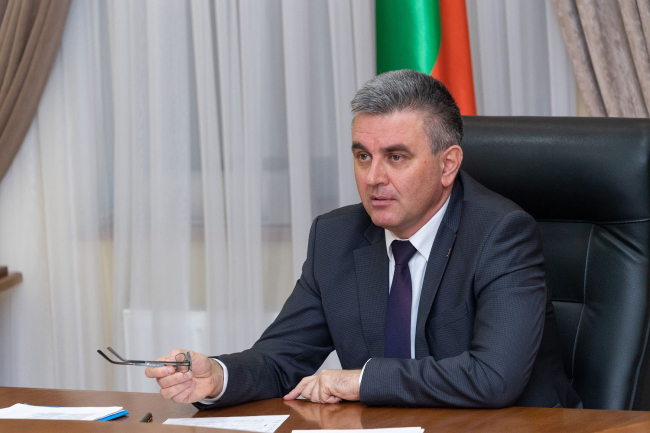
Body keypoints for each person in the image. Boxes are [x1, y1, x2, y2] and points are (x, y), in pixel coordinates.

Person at [145, 69, 582, 409]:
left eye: (396, 157)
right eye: (362, 155)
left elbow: (493, 377)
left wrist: (361, 380)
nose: (373, 177)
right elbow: (281, 360)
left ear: (448, 165)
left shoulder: (501, 233)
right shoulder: (335, 237)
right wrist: (218, 377)